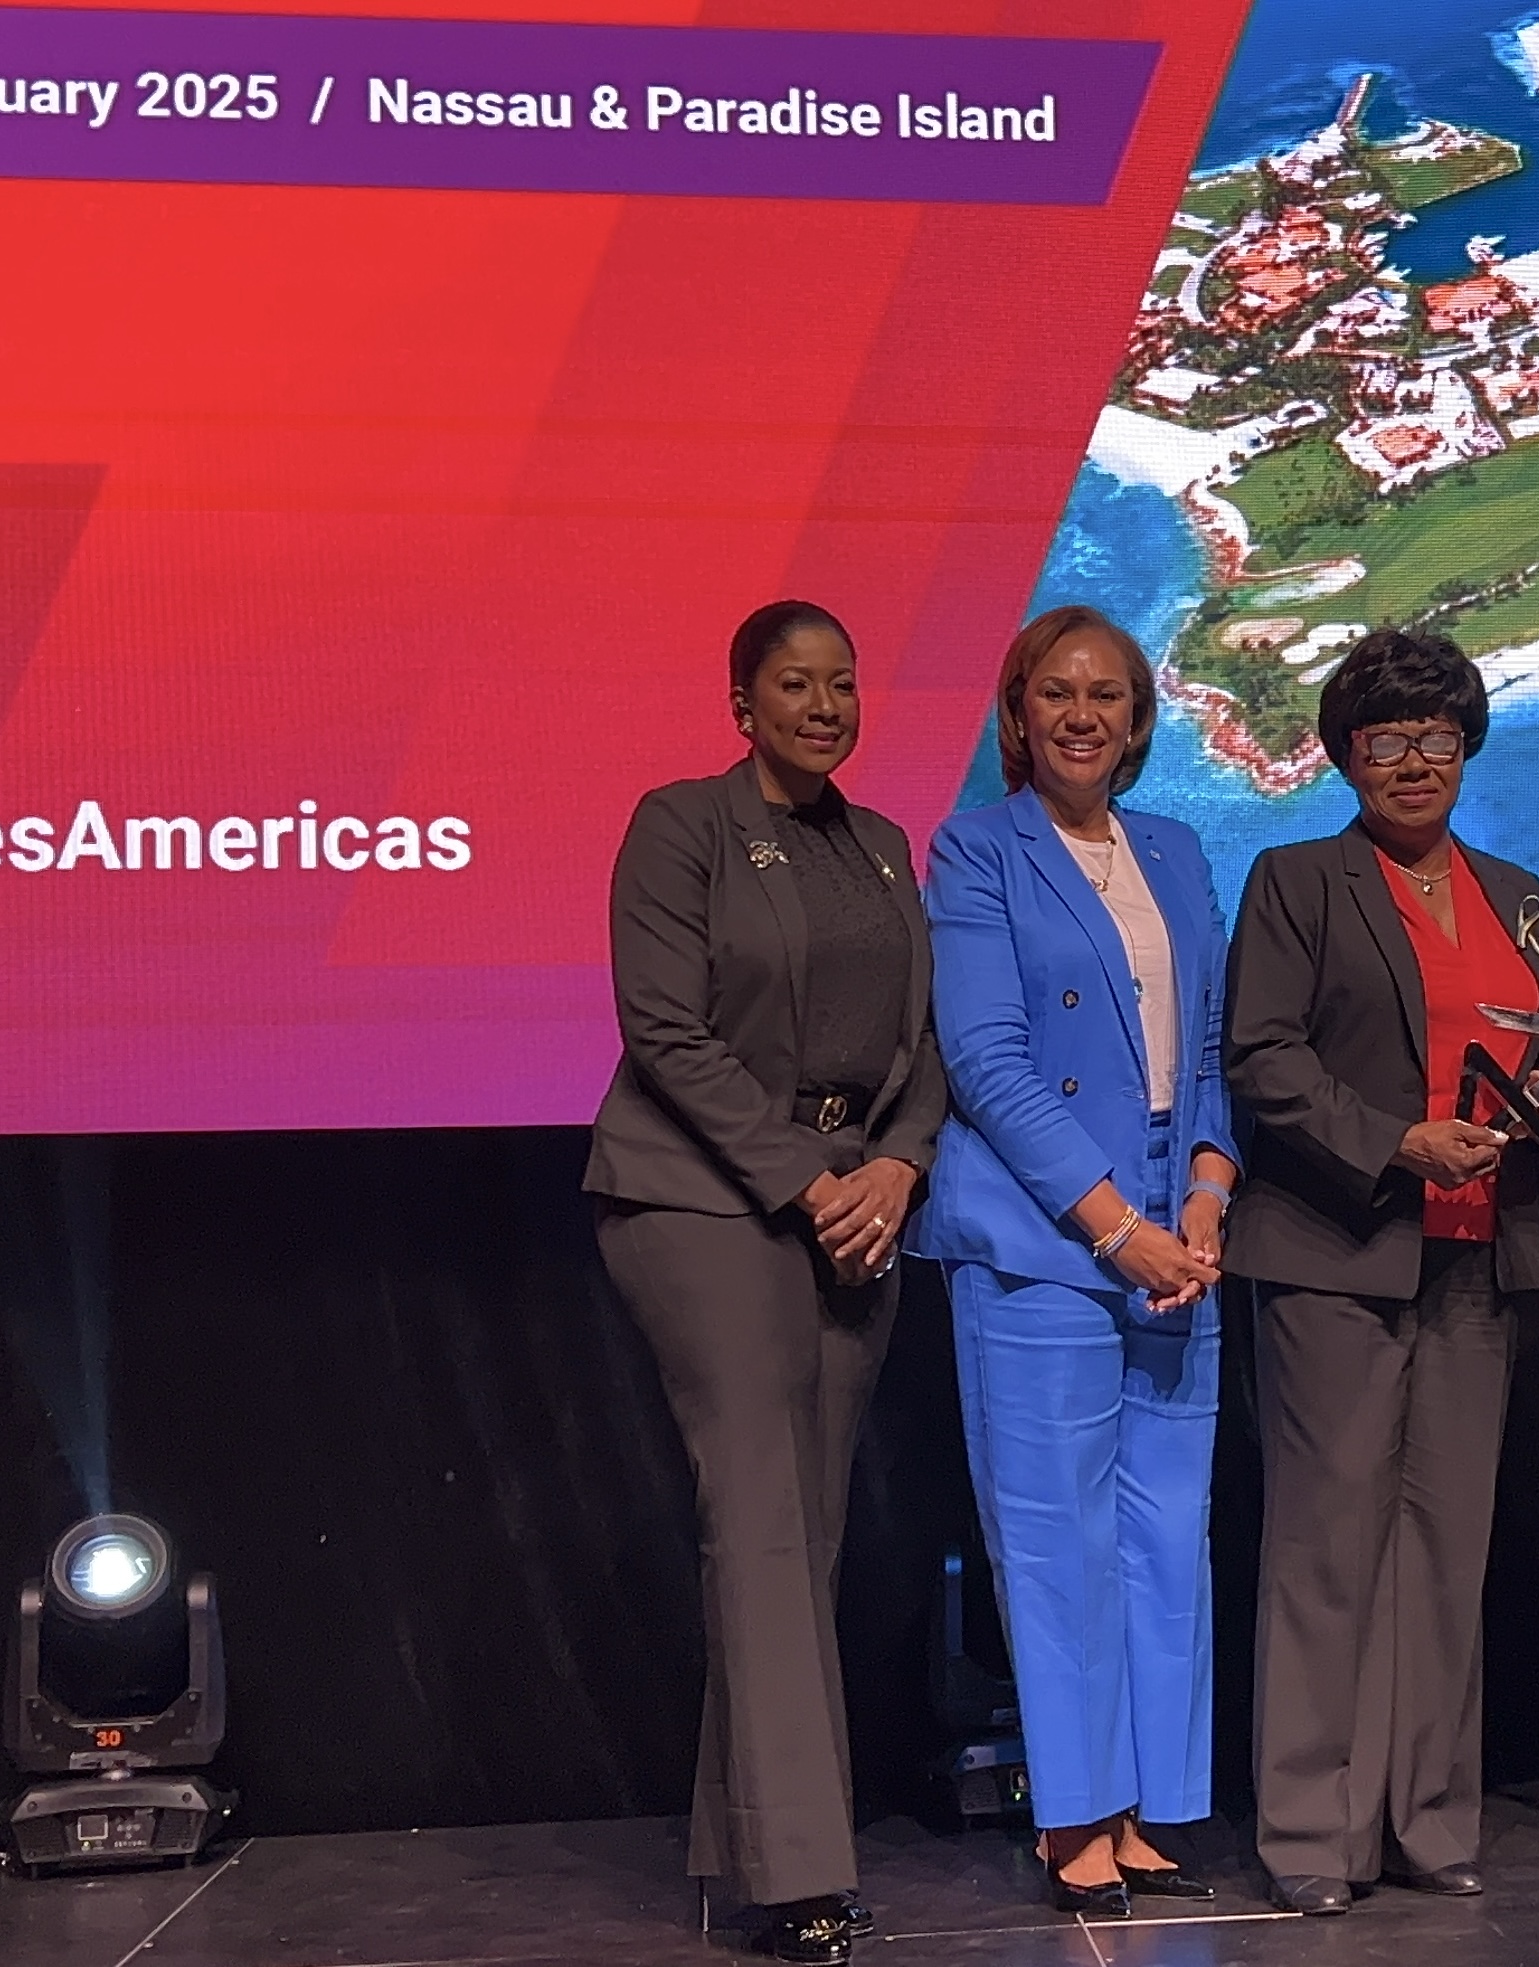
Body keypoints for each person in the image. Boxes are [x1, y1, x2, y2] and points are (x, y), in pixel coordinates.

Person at [582, 600, 946, 1966]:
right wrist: (807, 1179)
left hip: (854, 1207)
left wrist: (896, 1169)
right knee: (762, 1520)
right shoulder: (678, 824)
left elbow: (927, 1040)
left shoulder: (886, 847)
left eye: (842, 683)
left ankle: (752, 1828)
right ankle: (799, 1870)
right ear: (742, 703)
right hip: (703, 1200)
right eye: (795, 683)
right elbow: (663, 1026)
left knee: (807, 1529)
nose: (824, 704)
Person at [1221, 627, 1539, 1916]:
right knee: (1326, 1550)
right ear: (1345, 755)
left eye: (1437, 735)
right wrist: (1395, 1142)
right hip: (1338, 1253)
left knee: (1443, 1551)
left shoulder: (1519, 890)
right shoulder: (1297, 878)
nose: (1414, 760)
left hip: (1482, 1256)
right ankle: (1312, 1834)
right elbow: (1260, 1055)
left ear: (1467, 747)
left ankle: (1428, 1818)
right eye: (1387, 738)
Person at [904, 606, 1240, 1917]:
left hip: (1179, 1232)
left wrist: (1206, 1195)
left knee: (1168, 1532)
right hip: (1050, 1239)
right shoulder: (976, 849)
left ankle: (1149, 1800)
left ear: (1141, 719)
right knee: (1059, 1539)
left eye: (1107, 694)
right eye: (1057, 692)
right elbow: (985, 1060)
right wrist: (1117, 1224)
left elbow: (1206, 1053)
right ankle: (1076, 1810)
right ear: (1017, 712)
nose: (1082, 714)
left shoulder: (1176, 847)